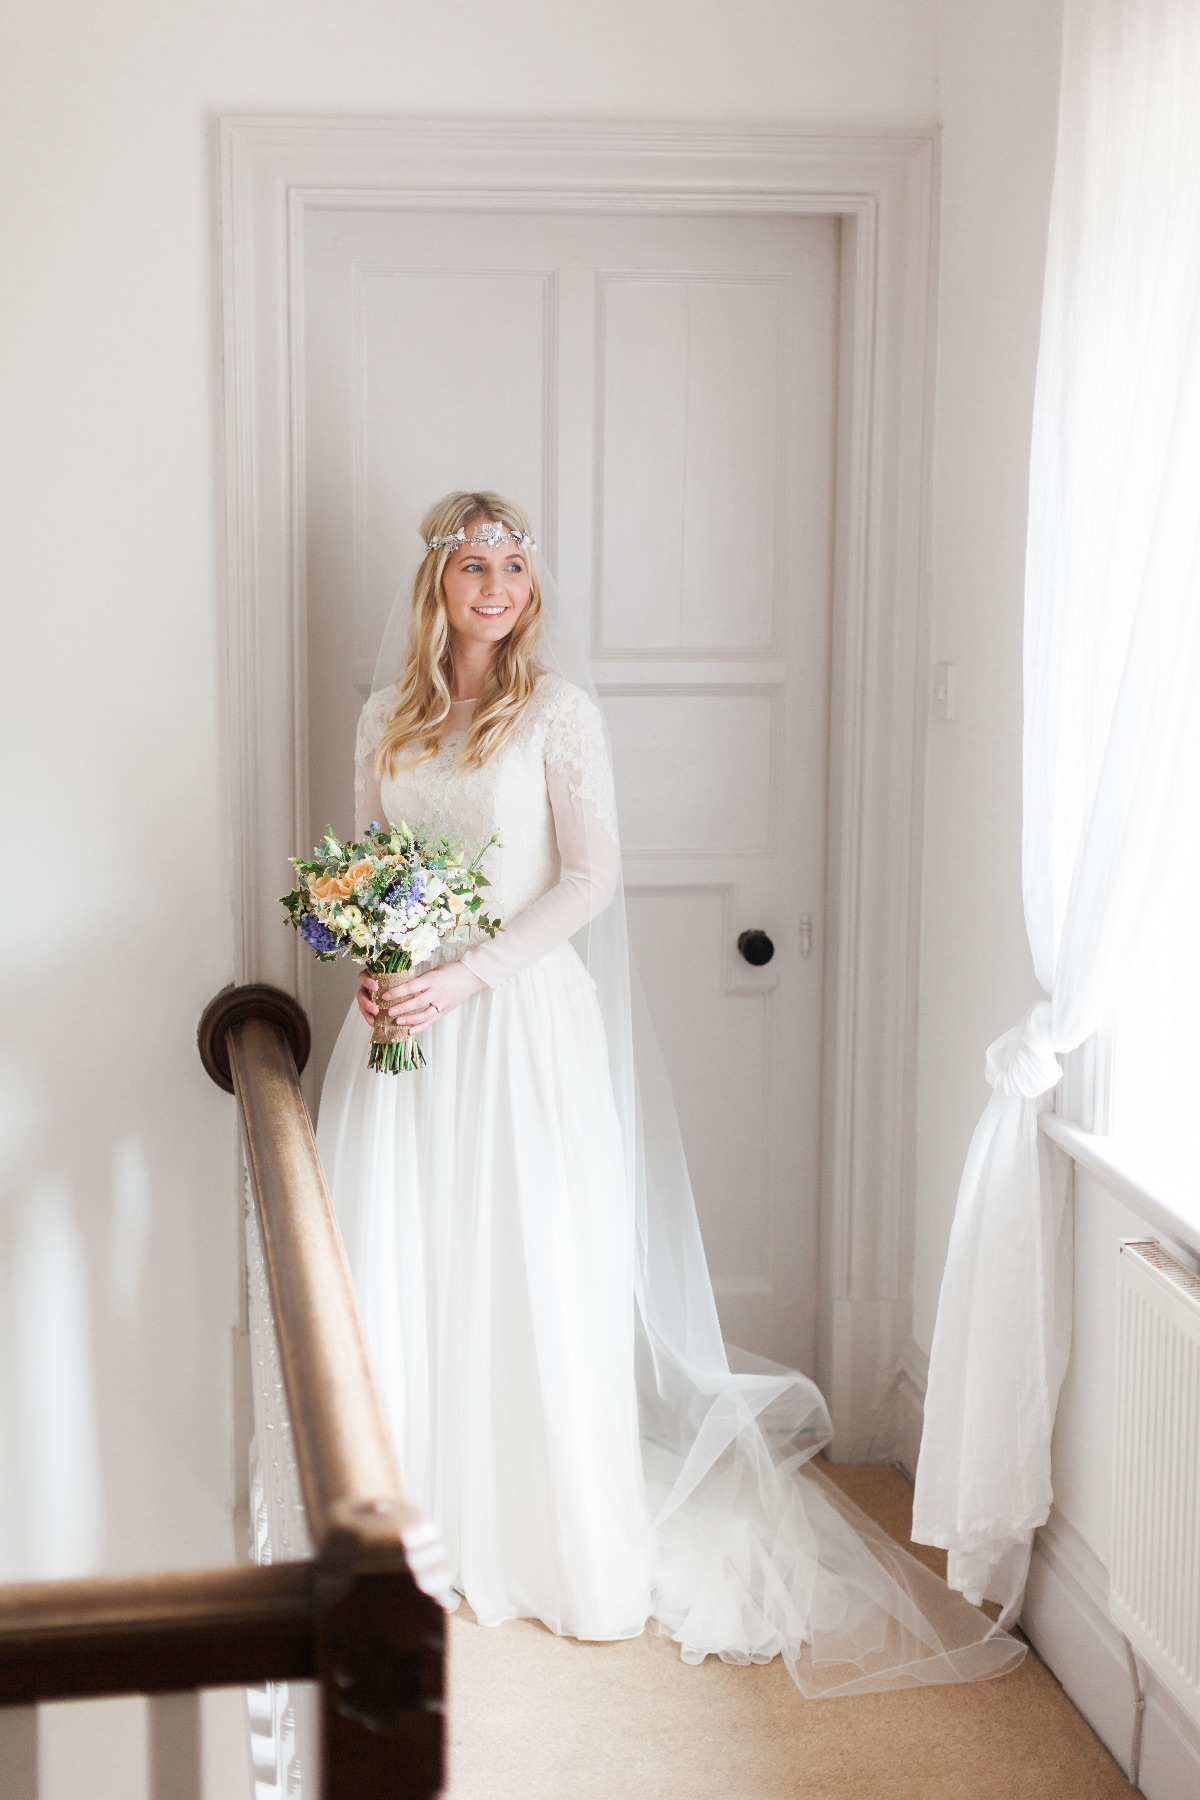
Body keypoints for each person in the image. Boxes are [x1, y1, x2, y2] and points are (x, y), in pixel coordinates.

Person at [315, 489, 1023, 1694]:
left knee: (527, 1257)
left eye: (514, 569)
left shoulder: (558, 713)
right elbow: (372, 866)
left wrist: (469, 977)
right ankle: (411, 1528)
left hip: (517, 1020)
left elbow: (589, 879)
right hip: (408, 1027)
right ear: (435, 582)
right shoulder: (386, 715)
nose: (497, 588)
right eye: (474, 566)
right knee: (410, 1254)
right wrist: (382, 968)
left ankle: (539, 1529)